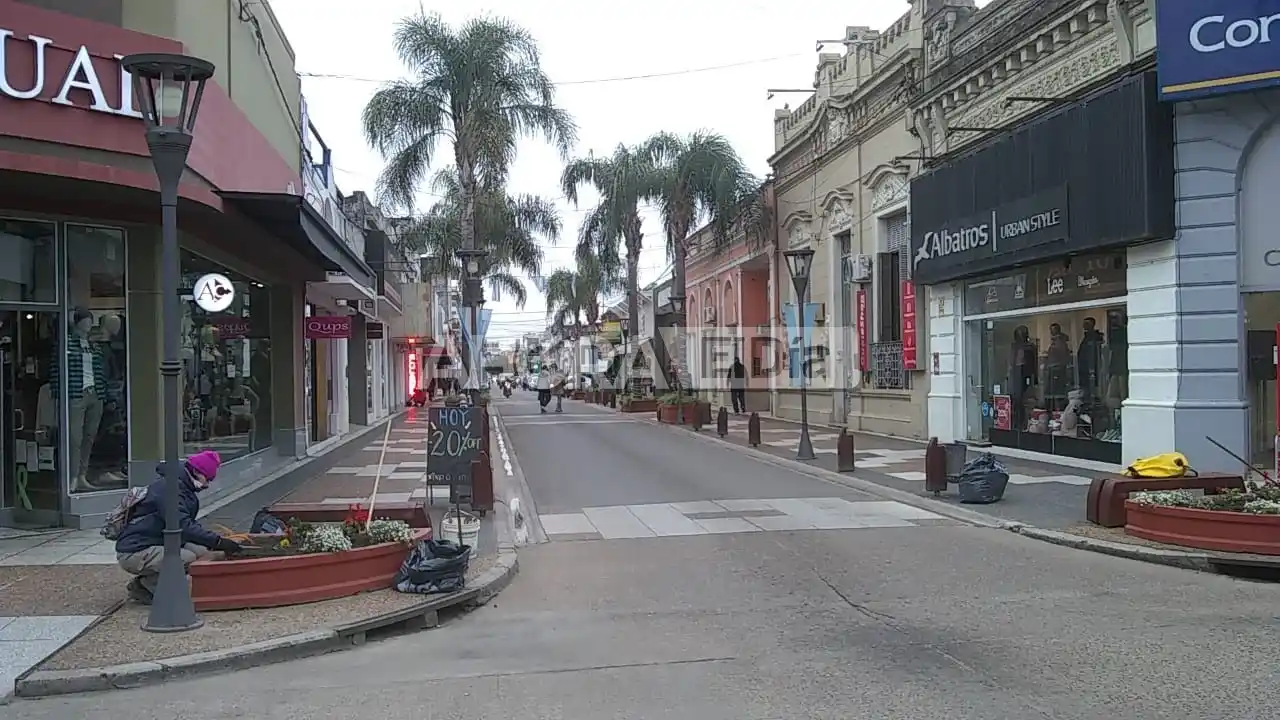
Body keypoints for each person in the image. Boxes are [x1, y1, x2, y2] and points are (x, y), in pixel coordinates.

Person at [115, 450, 243, 605]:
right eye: (207, 479)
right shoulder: (170, 489)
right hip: (135, 550)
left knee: (201, 551)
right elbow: (183, 525)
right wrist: (217, 542)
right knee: (185, 558)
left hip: (155, 541)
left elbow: (187, 525)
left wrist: (211, 542)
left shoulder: (182, 486)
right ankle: (147, 586)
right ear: (196, 471)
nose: (207, 484)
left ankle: (159, 581)